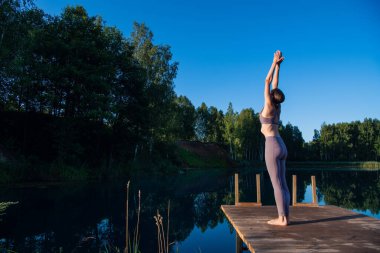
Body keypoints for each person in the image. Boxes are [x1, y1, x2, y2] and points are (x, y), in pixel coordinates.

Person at [259, 50, 290, 226]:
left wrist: (272, 63)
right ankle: (287, 216)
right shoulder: (277, 107)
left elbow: (267, 81)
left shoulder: (269, 104)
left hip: (271, 145)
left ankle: (282, 218)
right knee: (283, 183)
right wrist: (278, 66)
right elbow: (275, 84)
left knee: (276, 184)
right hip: (282, 145)